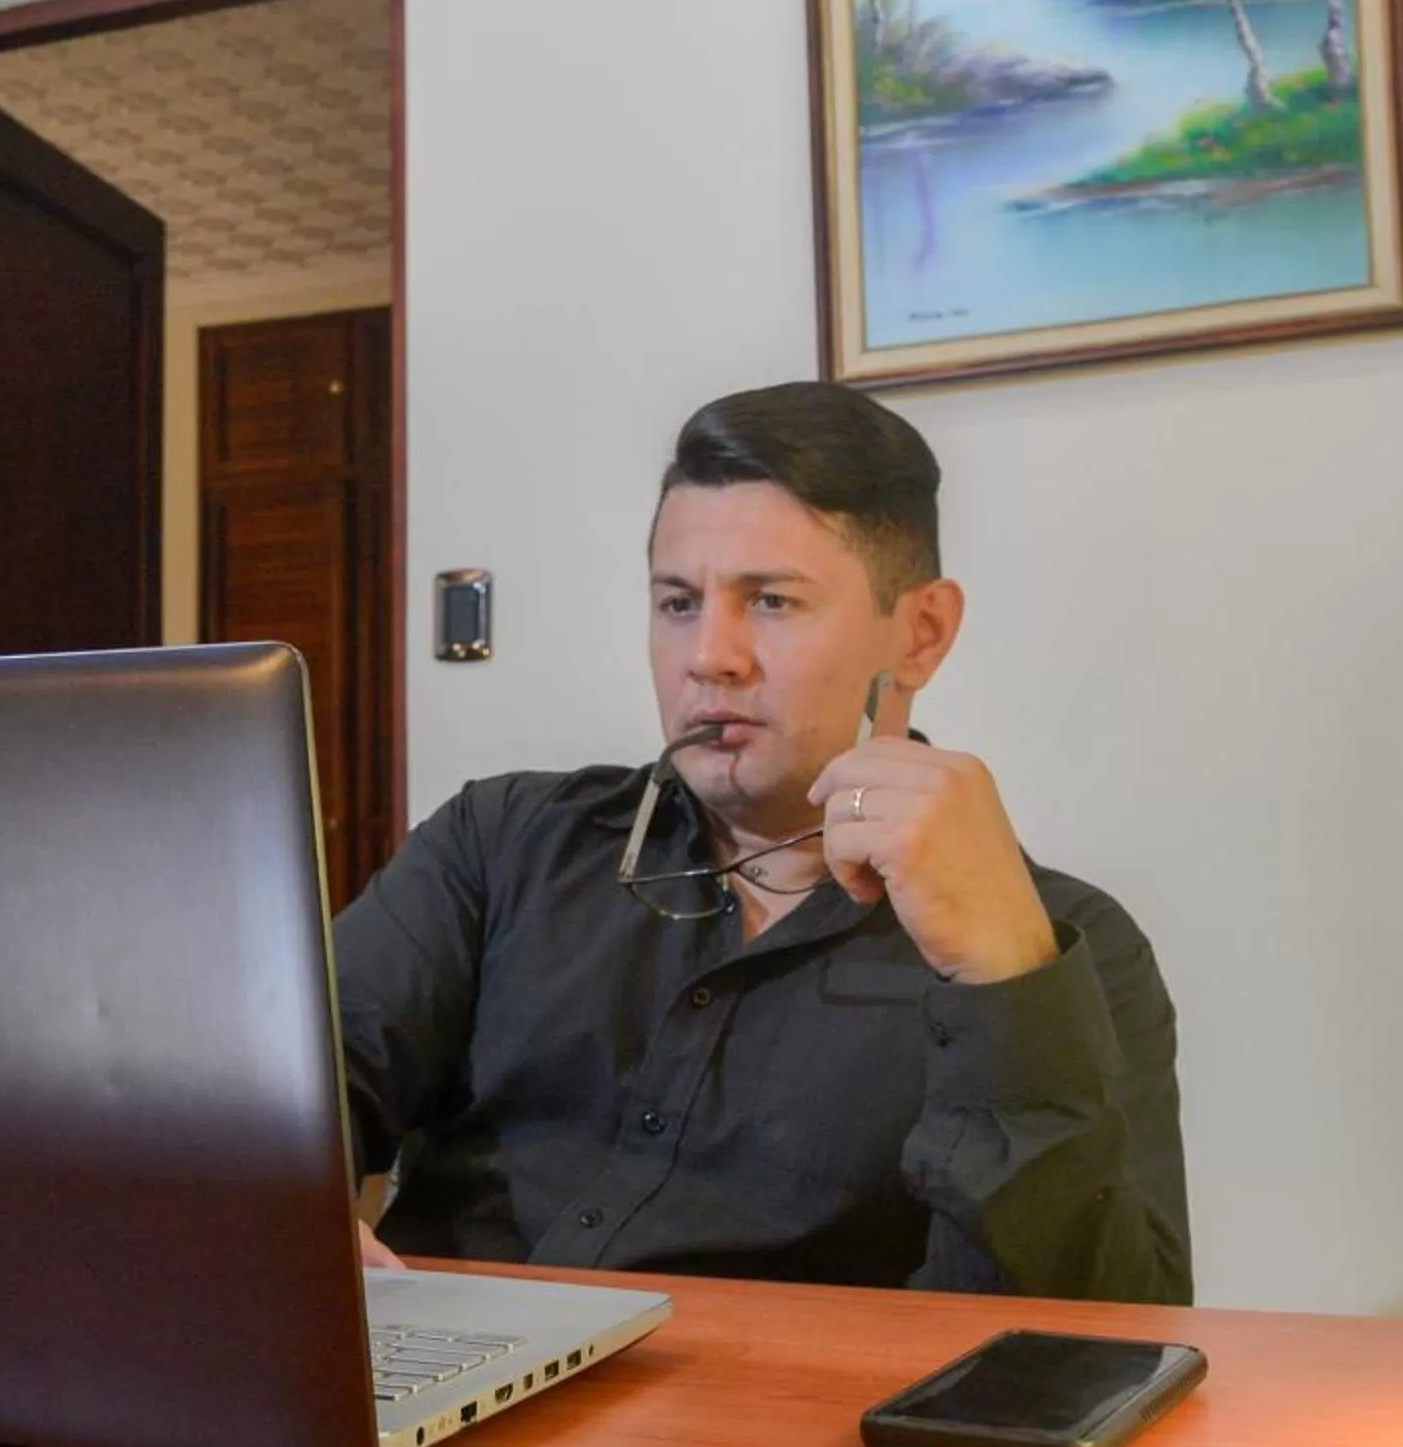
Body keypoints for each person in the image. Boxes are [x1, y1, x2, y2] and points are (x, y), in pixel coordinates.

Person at [332, 381, 1188, 1302]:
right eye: (677, 604)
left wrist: (1007, 986)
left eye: (771, 602)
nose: (711, 655)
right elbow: (287, 1092)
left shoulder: (1061, 945)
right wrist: (283, 1214)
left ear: (921, 633)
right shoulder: (502, 845)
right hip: (446, 1410)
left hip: (768, 1433)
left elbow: (1109, 1341)